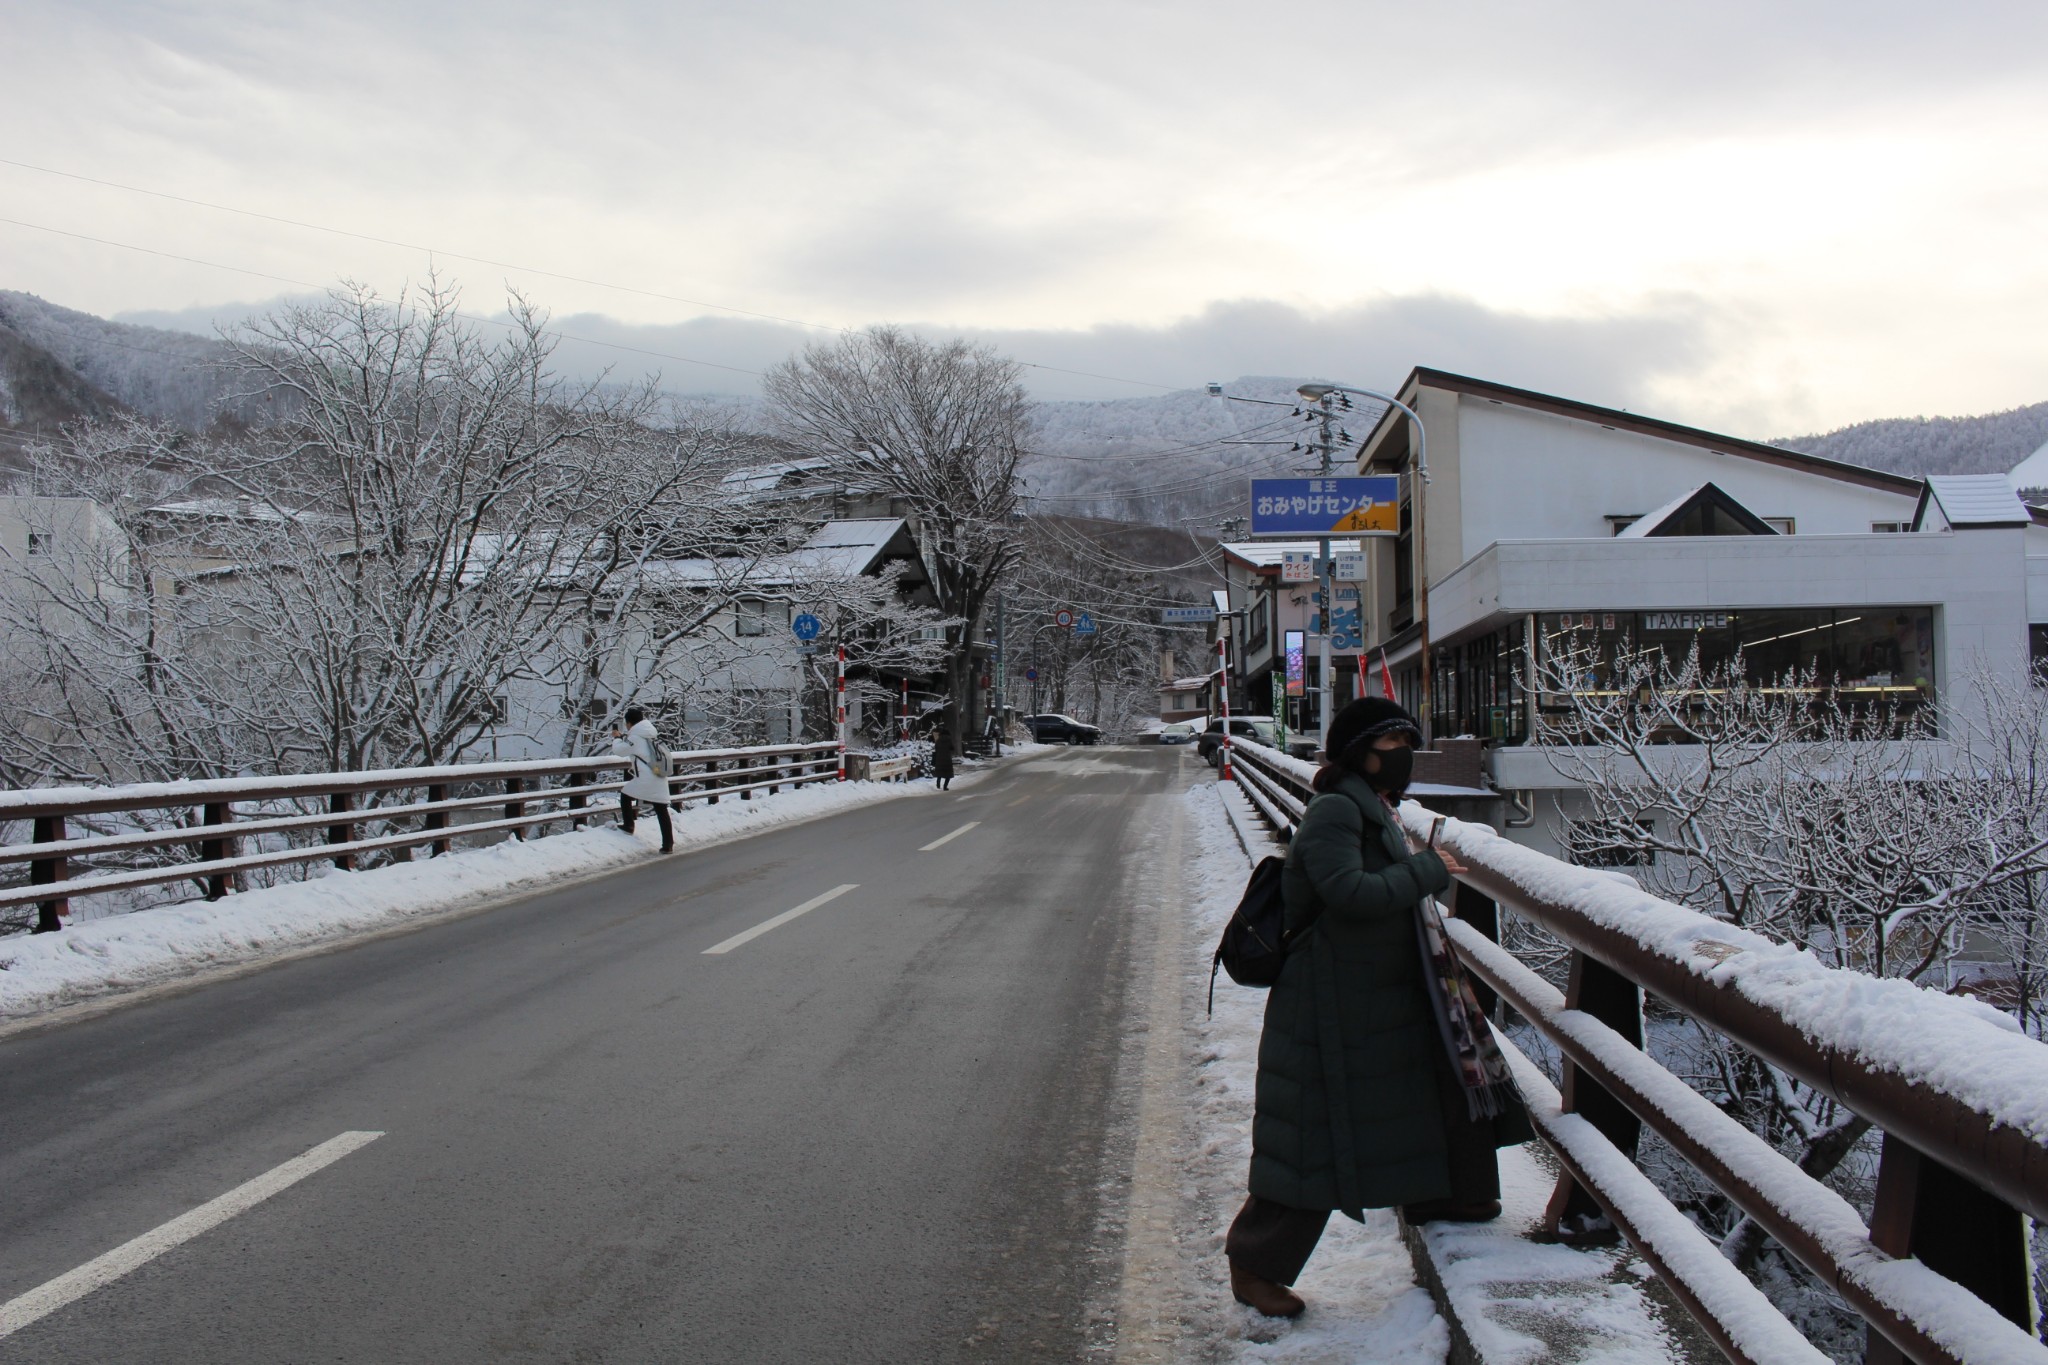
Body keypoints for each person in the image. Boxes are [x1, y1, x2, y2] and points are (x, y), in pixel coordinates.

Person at [1226, 696, 1532, 1318]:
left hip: (1376, 989)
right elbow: (1350, 893)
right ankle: (1254, 1265)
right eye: (1393, 745)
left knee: (1435, 1082)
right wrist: (1424, 871)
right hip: (1328, 999)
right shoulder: (1338, 810)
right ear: (1359, 752)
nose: (1403, 757)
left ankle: (1449, 1194)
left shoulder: (1373, 805)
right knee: (1312, 1133)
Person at [610, 707, 674, 853]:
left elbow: (620, 751)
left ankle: (628, 825)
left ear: (630, 723)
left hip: (646, 778)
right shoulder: (650, 734)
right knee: (661, 809)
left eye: (626, 723)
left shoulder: (636, 737)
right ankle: (668, 844)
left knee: (625, 794)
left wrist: (617, 738)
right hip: (658, 775)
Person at [930, 724, 955, 791]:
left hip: (939, 758)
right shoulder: (949, 740)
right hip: (947, 759)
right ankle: (945, 786)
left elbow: (936, 748)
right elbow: (952, 748)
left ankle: (938, 784)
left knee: (939, 773)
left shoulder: (938, 740)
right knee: (948, 774)